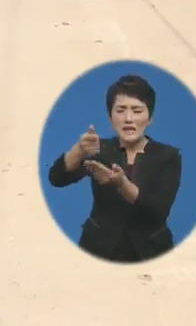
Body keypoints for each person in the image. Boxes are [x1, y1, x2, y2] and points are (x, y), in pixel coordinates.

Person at [48, 75, 182, 263]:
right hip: (97, 249)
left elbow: (157, 210)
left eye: (137, 111)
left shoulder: (167, 156)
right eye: (120, 110)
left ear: (149, 117)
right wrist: (78, 151)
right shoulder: (99, 149)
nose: (128, 119)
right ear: (110, 117)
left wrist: (121, 184)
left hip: (151, 253)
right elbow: (57, 179)